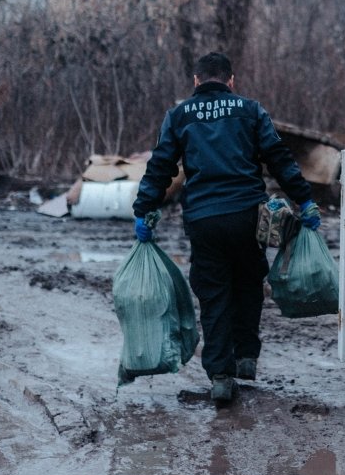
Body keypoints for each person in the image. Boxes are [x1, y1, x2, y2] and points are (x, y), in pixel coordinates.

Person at [133, 51, 321, 404]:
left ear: (196, 81)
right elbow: (278, 157)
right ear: (231, 80)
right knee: (249, 282)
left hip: (204, 219)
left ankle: (221, 376)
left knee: (214, 293)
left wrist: (144, 210)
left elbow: (161, 167)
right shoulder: (250, 110)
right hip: (247, 213)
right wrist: (304, 199)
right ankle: (246, 356)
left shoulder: (179, 115)